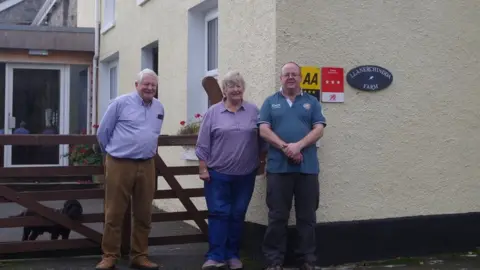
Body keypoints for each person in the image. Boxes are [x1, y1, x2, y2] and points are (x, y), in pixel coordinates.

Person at [258, 62, 326, 270]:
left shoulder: (312, 102)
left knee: (307, 216)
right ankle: (274, 260)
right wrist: (285, 147)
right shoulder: (270, 102)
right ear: (281, 78)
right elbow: (263, 129)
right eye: (286, 74)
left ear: (300, 78)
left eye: (294, 74)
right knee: (277, 216)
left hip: (307, 169)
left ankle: (307, 260)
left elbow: (319, 128)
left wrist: (299, 146)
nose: (290, 78)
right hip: (279, 169)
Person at [95, 68, 164, 270]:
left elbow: (153, 133)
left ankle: (140, 256)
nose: (150, 88)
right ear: (137, 85)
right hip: (119, 162)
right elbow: (103, 132)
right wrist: (111, 155)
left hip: (147, 163)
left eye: (153, 85)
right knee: (114, 213)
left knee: (144, 213)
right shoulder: (120, 103)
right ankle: (109, 256)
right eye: (146, 84)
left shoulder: (159, 107)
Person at [196, 71, 265, 270]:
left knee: (237, 214)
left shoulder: (254, 111)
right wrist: (203, 168)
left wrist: (263, 163)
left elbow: (262, 140)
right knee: (219, 213)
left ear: (243, 89)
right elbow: (203, 143)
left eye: (238, 86)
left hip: (246, 174)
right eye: (231, 86)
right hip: (217, 173)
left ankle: (232, 255)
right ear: (224, 90)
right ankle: (215, 256)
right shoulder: (213, 112)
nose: (235, 89)